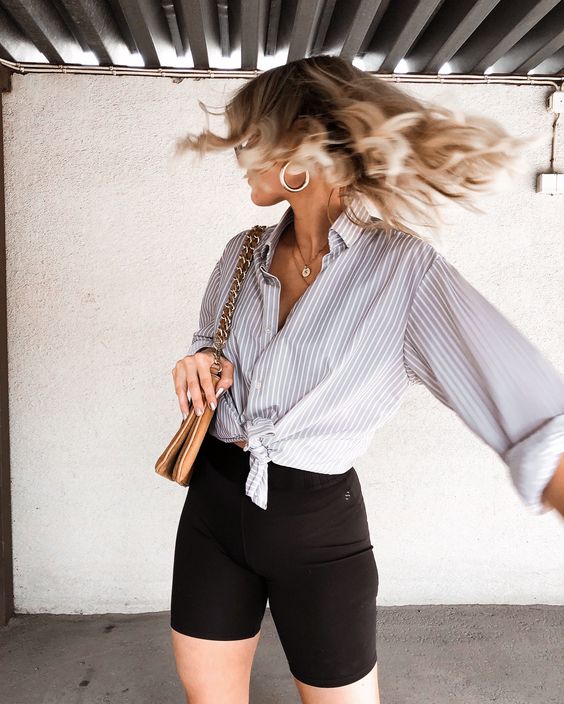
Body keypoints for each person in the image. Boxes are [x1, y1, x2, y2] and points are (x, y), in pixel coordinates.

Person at [168, 55, 564, 704]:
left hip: (317, 531)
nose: (239, 154)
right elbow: (209, 346)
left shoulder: (404, 272)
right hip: (212, 508)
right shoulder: (241, 253)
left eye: (250, 138)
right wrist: (201, 360)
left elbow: (535, 421)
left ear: (300, 146)